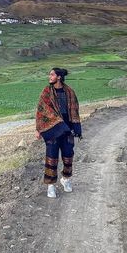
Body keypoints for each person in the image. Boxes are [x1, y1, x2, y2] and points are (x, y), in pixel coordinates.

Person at [35, 67, 82, 198]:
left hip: (68, 130)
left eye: (52, 75)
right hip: (52, 130)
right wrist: (38, 129)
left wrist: (75, 128)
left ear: (59, 77)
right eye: (49, 75)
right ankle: (50, 186)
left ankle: (66, 179)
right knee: (51, 157)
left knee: (68, 156)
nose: (49, 77)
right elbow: (41, 112)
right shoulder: (46, 92)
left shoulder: (70, 92)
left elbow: (75, 110)